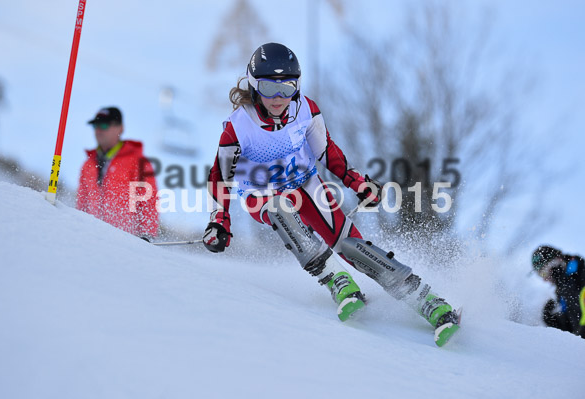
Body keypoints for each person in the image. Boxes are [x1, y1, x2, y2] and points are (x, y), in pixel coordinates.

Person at [203, 43, 460, 345]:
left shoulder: (306, 110)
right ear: (253, 85)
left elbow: (326, 151)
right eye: (267, 87)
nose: (278, 98)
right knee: (278, 207)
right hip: (260, 193)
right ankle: (336, 280)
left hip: (304, 184)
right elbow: (221, 176)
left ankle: (425, 300)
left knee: (349, 242)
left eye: (287, 87)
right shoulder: (238, 126)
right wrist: (220, 221)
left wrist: (357, 183)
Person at [76, 106, 159, 241]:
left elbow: (149, 201)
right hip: (91, 240)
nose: (98, 130)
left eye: (104, 125)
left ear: (120, 128)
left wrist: (147, 235)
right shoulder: (87, 165)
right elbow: (82, 203)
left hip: (125, 243)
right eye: (95, 125)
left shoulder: (138, 162)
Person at [532, 245, 585, 338]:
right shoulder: (562, 290)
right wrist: (554, 321)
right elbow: (572, 326)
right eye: (540, 275)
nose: (544, 279)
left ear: (556, 261)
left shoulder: (581, 273)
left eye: (544, 272)